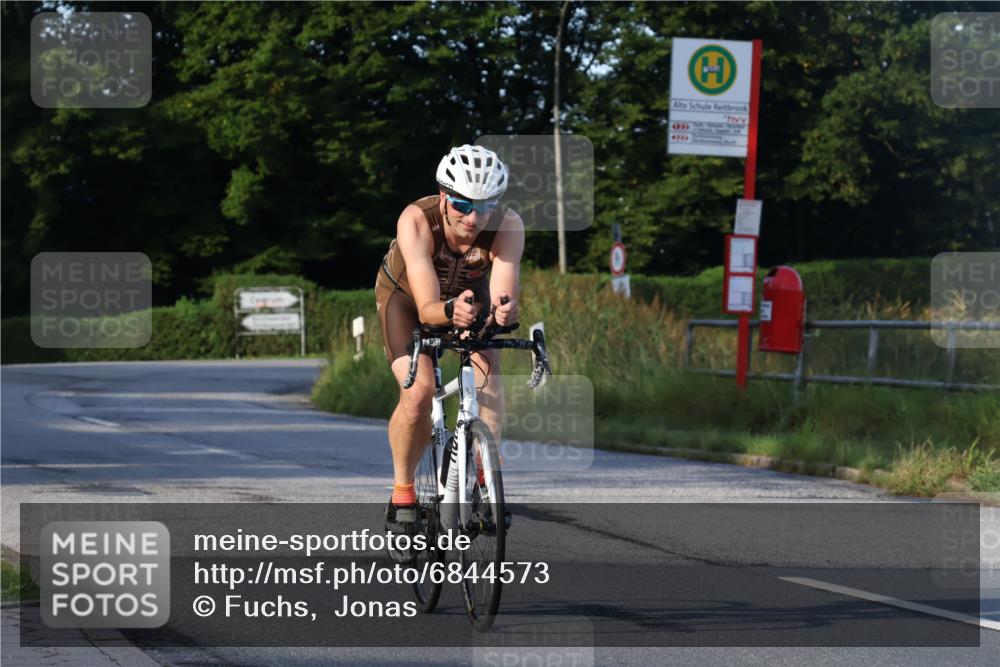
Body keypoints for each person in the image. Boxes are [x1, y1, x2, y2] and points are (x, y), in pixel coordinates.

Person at [374, 144, 524, 534]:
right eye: (461, 204)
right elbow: (426, 308)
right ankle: (403, 494)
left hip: (469, 299)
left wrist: (504, 312)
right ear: (443, 197)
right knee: (420, 390)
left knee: (487, 376)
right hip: (407, 301)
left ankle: (484, 475)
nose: (474, 217)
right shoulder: (416, 220)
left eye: (485, 205)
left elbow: (505, 293)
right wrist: (449, 311)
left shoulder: (507, 226)